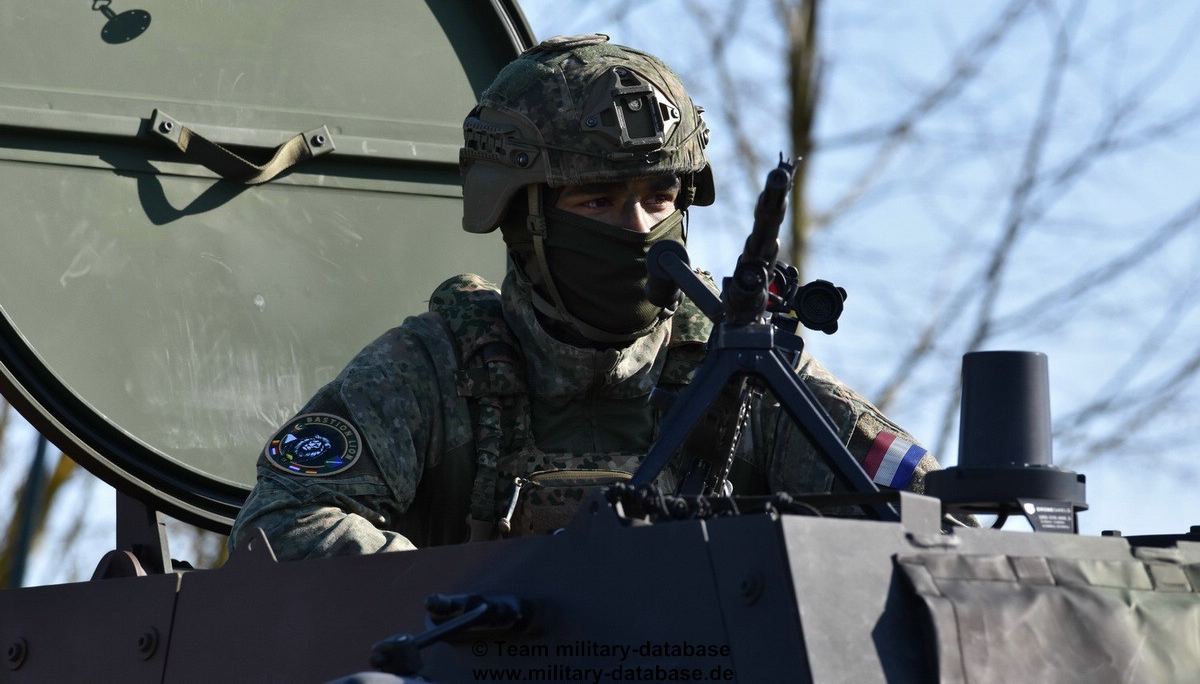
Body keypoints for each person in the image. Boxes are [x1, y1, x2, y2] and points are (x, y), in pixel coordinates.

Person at [228, 34, 947, 559]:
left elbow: (935, 520)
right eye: (598, 201)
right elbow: (282, 522)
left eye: (659, 197)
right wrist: (472, 601)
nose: (640, 229)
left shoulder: (742, 370)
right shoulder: (433, 371)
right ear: (521, 219)